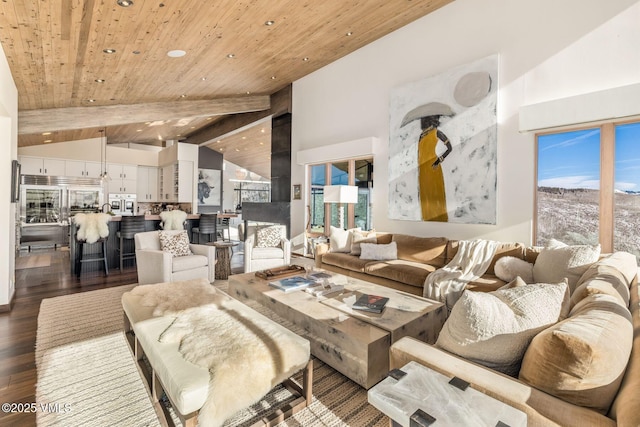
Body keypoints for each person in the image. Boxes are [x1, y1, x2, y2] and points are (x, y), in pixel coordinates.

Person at [401, 102, 454, 222]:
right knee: (425, 197)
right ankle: (427, 220)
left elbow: (449, 147)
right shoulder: (421, 135)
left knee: (435, 196)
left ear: (428, 120)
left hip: (433, 168)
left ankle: (440, 219)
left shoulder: (437, 133)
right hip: (423, 170)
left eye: (423, 120)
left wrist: (438, 160)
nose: (421, 122)